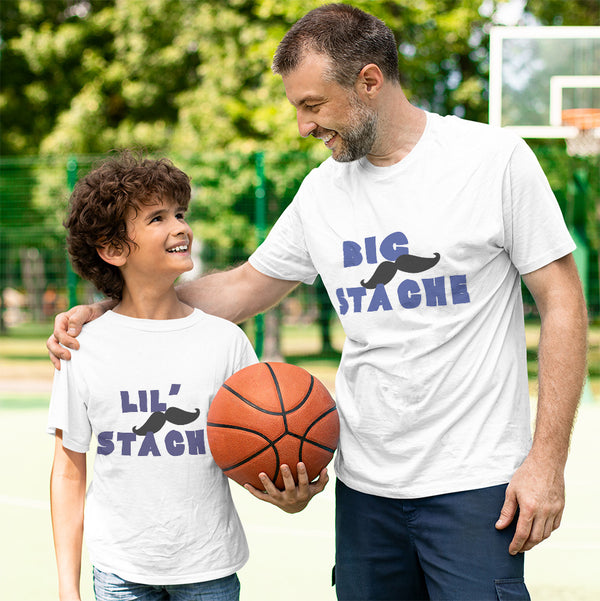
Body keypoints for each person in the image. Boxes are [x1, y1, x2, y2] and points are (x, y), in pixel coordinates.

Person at [48, 5, 588, 600]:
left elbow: (562, 303)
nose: (303, 126)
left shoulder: (493, 161)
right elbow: (240, 288)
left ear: (370, 81)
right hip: (365, 487)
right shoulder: (322, 193)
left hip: (474, 480)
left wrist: (546, 462)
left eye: (313, 105)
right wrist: (113, 310)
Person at [47, 152, 326, 601]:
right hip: (119, 570)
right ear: (113, 249)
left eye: (180, 213)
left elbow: (257, 443)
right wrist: (66, 587)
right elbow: (68, 472)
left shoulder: (225, 341)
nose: (181, 227)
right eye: (157, 218)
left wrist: (288, 493)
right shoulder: (84, 347)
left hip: (208, 567)